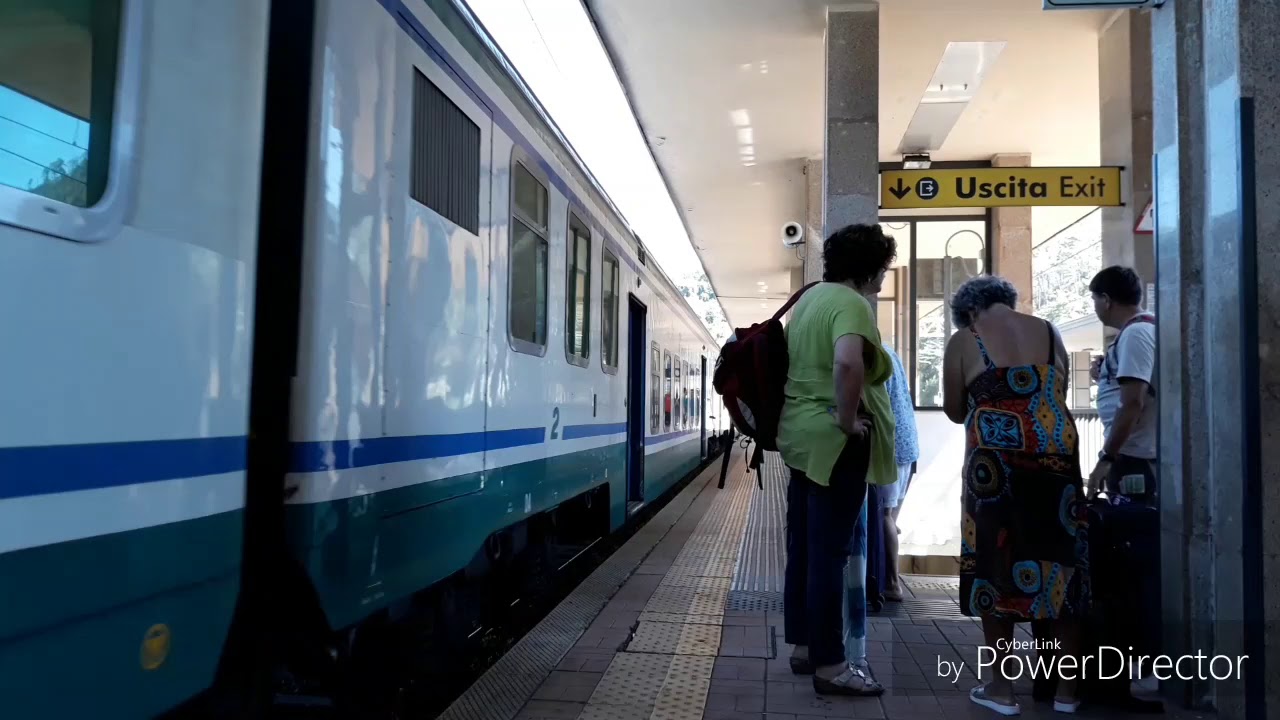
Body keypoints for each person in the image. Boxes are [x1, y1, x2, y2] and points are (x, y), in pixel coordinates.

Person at [941, 275, 1089, 716]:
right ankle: (1067, 693)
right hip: (1056, 462)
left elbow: (952, 408)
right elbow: (1057, 390)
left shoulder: (966, 338)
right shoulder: (1048, 331)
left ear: (969, 311)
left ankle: (1002, 690)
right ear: (1008, 302)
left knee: (996, 562)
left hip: (997, 470)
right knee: (1062, 566)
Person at [778, 224, 897, 696]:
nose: (884, 279)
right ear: (869, 267)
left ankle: (806, 647)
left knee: (805, 547)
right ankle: (831, 666)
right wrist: (848, 420)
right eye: (884, 269)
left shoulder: (809, 301)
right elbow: (848, 362)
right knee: (830, 553)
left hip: (800, 435)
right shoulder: (852, 305)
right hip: (833, 442)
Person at [1087, 266, 1157, 503]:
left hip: (1135, 456)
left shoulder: (1136, 333)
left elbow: (1132, 402)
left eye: (1094, 299)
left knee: (1133, 533)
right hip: (1130, 454)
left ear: (1106, 300)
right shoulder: (1137, 331)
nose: (1094, 306)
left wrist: (1106, 458)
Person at [877, 343, 918, 601]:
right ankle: (887, 579)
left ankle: (892, 583)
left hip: (893, 450)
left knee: (885, 518)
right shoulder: (889, 351)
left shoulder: (875, 357)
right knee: (891, 519)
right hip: (908, 446)